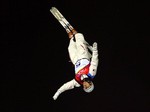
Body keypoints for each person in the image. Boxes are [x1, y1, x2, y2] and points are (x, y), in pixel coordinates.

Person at [50, 7, 99, 100]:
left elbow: (67, 85)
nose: (85, 86)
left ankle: (69, 33)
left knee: (70, 45)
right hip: (83, 55)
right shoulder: (92, 73)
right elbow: (95, 61)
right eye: (88, 86)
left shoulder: (77, 82)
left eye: (85, 88)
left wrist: (58, 92)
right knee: (78, 36)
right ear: (90, 83)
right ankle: (73, 30)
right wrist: (95, 50)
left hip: (75, 59)